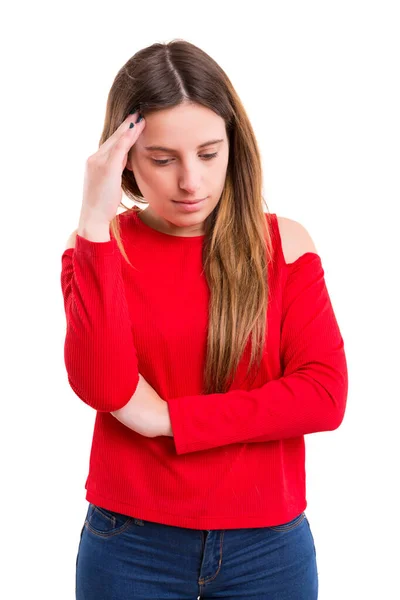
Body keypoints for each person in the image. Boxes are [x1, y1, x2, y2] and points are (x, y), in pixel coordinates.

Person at [60, 39, 348, 600]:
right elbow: (101, 386)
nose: (190, 181)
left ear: (233, 148)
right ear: (124, 161)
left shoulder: (284, 245)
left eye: (209, 154)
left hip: (269, 545)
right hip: (130, 542)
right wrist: (93, 217)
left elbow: (324, 395)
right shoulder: (99, 248)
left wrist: (170, 419)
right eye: (163, 160)